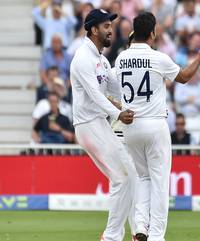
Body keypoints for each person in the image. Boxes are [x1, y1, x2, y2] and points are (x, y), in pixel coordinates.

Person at [115, 11, 200, 241]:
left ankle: (140, 227)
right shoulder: (158, 57)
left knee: (143, 179)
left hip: (130, 126)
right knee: (159, 182)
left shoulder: (120, 58)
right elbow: (185, 77)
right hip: (154, 124)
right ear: (152, 33)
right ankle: (157, 235)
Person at [70, 9, 137, 241]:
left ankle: (126, 233)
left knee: (129, 177)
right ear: (93, 29)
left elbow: (115, 89)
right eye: (106, 26)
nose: (111, 29)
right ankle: (111, 237)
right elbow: (97, 96)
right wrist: (120, 112)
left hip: (99, 122)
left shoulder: (100, 58)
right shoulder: (82, 58)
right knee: (122, 178)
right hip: (88, 124)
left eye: (111, 25)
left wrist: (142, 103)